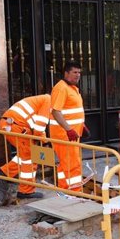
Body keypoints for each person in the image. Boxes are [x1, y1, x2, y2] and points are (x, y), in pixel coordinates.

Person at [0, 94, 51, 199]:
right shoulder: (49, 101)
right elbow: (39, 128)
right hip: (17, 126)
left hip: (10, 124)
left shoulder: (44, 99)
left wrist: (44, 141)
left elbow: (38, 126)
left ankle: (4, 172)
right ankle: (25, 191)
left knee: (24, 154)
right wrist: (44, 143)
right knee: (30, 157)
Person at [50, 61, 88, 190]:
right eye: (74, 72)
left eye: (79, 72)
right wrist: (69, 129)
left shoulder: (72, 88)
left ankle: (64, 189)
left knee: (65, 165)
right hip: (65, 135)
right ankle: (76, 193)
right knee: (73, 165)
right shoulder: (61, 88)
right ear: (66, 73)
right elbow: (56, 111)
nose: (78, 75)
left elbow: (71, 112)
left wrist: (81, 125)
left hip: (70, 134)